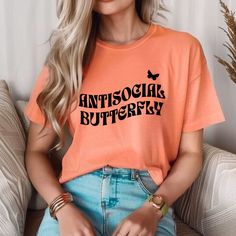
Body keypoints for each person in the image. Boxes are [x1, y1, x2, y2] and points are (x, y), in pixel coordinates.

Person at [24, 0, 226, 235]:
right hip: (75, 199)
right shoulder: (66, 57)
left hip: (144, 199)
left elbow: (191, 153)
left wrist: (154, 208)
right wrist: (61, 207)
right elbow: (35, 152)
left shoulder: (182, 49)